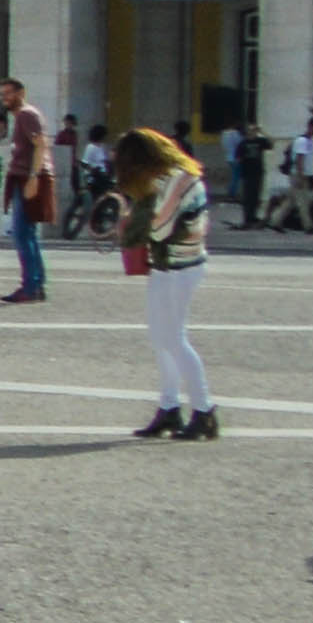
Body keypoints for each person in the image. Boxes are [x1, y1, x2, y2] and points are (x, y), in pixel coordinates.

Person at [121, 126, 214, 440]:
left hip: (181, 266)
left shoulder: (177, 180)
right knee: (162, 338)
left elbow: (160, 230)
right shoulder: (173, 177)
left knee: (173, 339)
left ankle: (204, 410)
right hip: (168, 265)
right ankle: (169, 407)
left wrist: (139, 215)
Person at [0, 77, 57, 305]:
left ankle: (30, 286)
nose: (4, 98)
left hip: (27, 178)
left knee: (23, 234)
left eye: (8, 93)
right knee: (27, 234)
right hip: (24, 177)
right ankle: (36, 284)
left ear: (21, 93)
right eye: (2, 94)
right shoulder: (23, 116)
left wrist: (33, 178)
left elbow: (41, 144)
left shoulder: (26, 115)